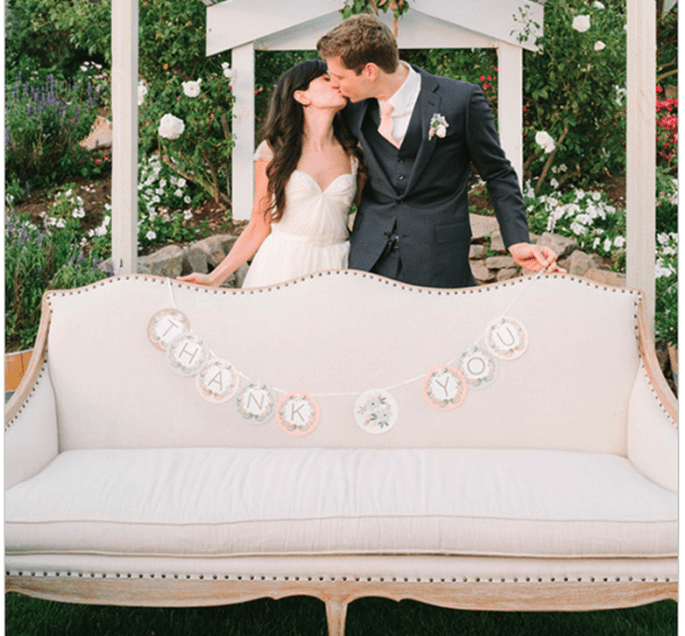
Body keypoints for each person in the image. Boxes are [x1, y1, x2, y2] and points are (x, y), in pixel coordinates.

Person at [317, 14, 565, 288]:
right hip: (369, 257)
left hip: (439, 259)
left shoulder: (460, 100)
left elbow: (498, 173)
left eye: (339, 76)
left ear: (370, 71)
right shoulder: (351, 106)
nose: (334, 84)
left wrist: (517, 241)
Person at [178, 60, 363, 288]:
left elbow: (370, 215)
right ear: (301, 96)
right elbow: (259, 225)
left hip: (338, 268)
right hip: (283, 266)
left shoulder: (353, 152)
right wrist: (214, 277)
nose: (336, 83)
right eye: (326, 79)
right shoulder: (274, 151)